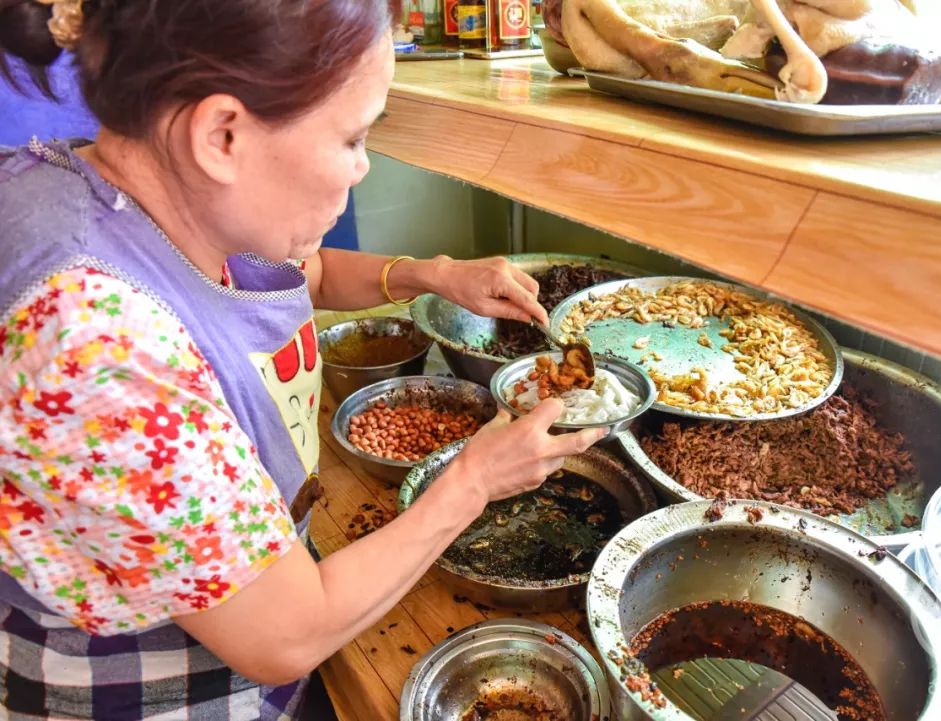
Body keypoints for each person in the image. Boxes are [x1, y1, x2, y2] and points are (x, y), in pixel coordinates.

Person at [0, 1, 605, 718]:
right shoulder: (99, 345)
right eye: (352, 137)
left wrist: (434, 273)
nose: (363, 167)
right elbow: (282, 636)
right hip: (156, 688)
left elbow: (298, 276)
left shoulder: (109, 181)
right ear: (222, 133)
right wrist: (475, 477)